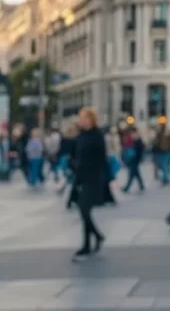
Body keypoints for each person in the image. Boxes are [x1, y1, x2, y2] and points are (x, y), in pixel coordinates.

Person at [72, 108, 107, 262]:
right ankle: (87, 243)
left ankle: (97, 236)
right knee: (83, 210)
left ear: (92, 120)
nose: (82, 121)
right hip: (82, 176)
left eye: (85, 118)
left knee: (84, 209)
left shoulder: (97, 136)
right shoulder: (80, 136)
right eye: (81, 118)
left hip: (93, 177)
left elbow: (102, 158)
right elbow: (76, 154)